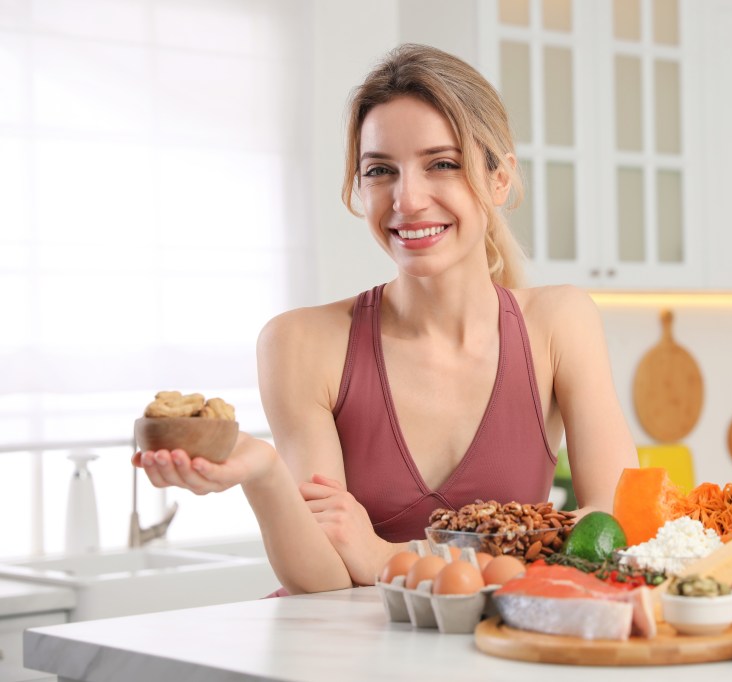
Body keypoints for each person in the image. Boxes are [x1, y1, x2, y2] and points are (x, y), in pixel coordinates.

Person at [132, 44, 638, 594]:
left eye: (441, 164)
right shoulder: (300, 343)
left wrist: (382, 556)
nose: (408, 199)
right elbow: (324, 581)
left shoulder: (558, 324)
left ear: (499, 178)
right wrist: (263, 472)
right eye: (380, 170)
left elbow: (616, 534)